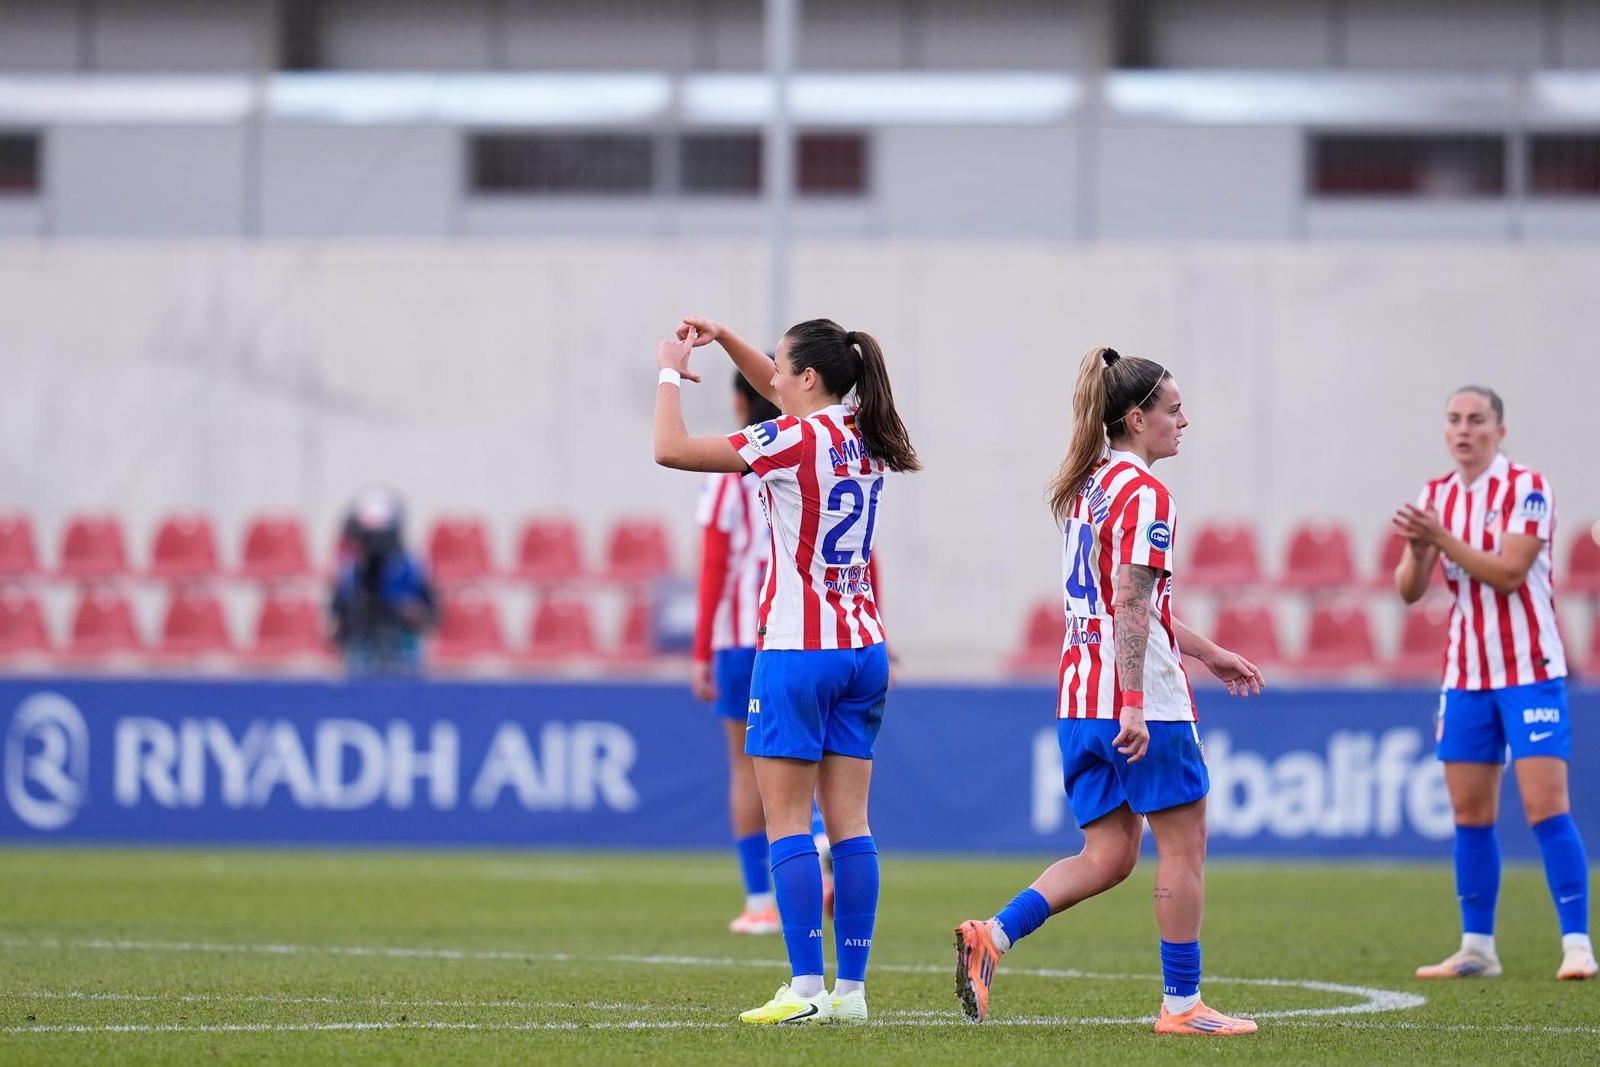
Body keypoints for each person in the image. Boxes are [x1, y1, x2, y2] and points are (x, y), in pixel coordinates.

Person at [953, 347, 1265, 1036]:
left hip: (1077, 700)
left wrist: (1208, 652)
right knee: (1183, 849)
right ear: (1137, 418)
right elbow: (1128, 599)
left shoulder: (1089, 487)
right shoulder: (1147, 494)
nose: (1185, 421)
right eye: (1174, 409)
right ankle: (1182, 1006)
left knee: (1110, 854)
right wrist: (1133, 703)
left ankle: (992, 936)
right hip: (1138, 702)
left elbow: (1127, 601)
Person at [654, 313, 920, 1025]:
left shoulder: (791, 439)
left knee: (789, 823)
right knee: (852, 825)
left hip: (798, 650)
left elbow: (669, 448)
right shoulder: (867, 430)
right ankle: (851, 993)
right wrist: (725, 338)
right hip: (862, 648)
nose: (768, 375)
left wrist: (669, 369)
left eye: (779, 365)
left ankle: (804, 988)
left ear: (807, 377)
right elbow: (778, 387)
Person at [1393, 385, 1595, 982]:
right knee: (1469, 811)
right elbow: (1409, 591)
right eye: (1454, 419)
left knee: (1545, 806)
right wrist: (1418, 550)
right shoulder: (1436, 496)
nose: (1463, 429)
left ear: (1499, 432)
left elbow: (1509, 573)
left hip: (1530, 670)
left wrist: (1441, 538)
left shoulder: (1527, 488)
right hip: (1466, 675)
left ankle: (1577, 944)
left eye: (1476, 420)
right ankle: (1477, 947)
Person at [691, 370, 786, 935]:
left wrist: (700, 651)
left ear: (737, 401)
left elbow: (713, 563)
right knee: (806, 761)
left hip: (739, 636)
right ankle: (819, 845)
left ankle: (759, 902)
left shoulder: (729, 470)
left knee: (745, 769)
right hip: (800, 632)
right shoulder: (814, 455)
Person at [329, 487, 436, 678]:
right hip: (361, 655)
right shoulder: (351, 571)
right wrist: (352, 617)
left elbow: (431, 617)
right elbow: (336, 625)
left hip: (402, 654)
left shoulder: (411, 568)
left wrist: (408, 611)